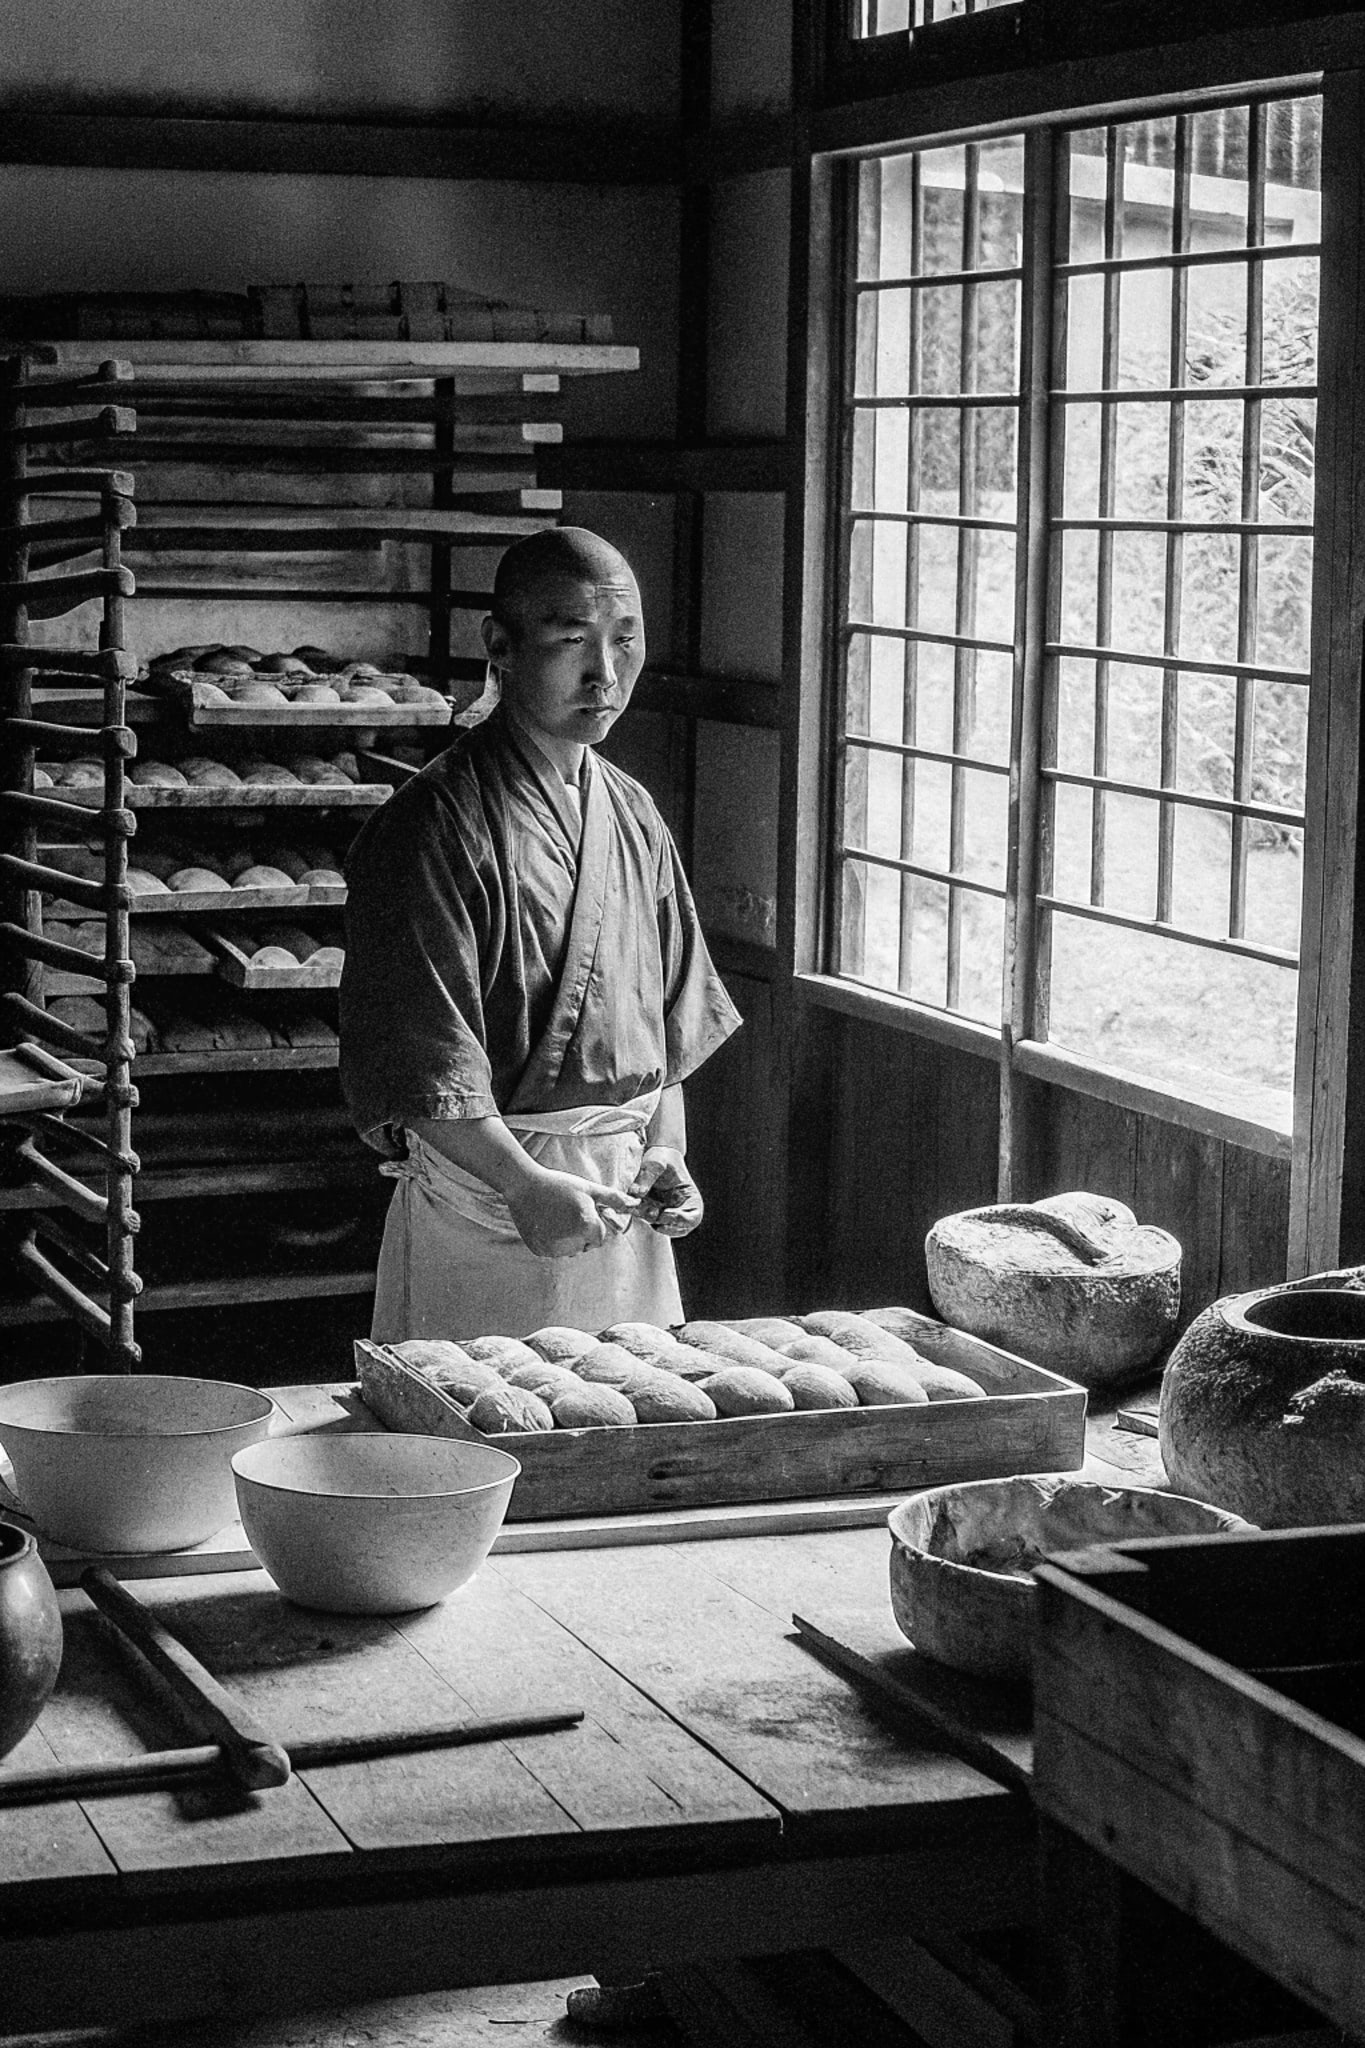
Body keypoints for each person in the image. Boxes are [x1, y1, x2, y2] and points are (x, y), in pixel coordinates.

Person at [339, 526, 741, 1342]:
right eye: (570, 641)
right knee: (475, 1437)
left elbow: (666, 1023)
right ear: (500, 645)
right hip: (486, 1201)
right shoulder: (429, 827)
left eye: (624, 641)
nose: (605, 674)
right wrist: (523, 1184)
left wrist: (667, 1149)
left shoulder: (631, 812)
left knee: (632, 1421)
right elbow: (423, 1068)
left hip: (621, 1196)